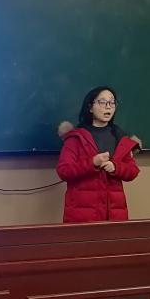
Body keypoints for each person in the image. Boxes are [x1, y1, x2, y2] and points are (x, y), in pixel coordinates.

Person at [55, 86, 141, 223]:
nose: (108, 106)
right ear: (90, 107)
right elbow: (64, 171)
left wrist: (116, 167)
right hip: (82, 218)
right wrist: (92, 163)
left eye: (112, 102)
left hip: (114, 216)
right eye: (102, 102)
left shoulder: (120, 138)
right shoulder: (76, 138)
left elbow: (133, 171)